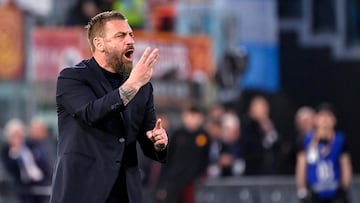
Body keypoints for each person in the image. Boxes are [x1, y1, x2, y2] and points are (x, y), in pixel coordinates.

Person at [50, 11, 168, 203]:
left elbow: (148, 138)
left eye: (131, 35)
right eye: (121, 35)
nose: (130, 40)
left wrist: (158, 143)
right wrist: (132, 85)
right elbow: (91, 113)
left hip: (125, 193)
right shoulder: (72, 78)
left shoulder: (142, 87)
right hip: (82, 192)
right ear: (99, 44)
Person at [296, 103, 352, 203]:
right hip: (314, 193)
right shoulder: (306, 140)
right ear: (316, 119)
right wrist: (302, 190)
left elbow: (346, 166)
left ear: (334, 120)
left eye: (328, 116)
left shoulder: (340, 140)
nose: (325, 120)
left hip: (335, 192)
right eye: (321, 116)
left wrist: (343, 189)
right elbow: (301, 167)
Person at [156, 105, 209, 203]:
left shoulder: (204, 136)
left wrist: (200, 176)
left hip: (193, 183)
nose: (192, 119)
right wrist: (162, 184)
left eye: (195, 116)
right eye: (189, 115)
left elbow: (205, 159)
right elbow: (167, 159)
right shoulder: (177, 134)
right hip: (175, 180)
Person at [1, 118, 49, 203]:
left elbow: (43, 163)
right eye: (14, 135)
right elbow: (10, 170)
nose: (17, 138)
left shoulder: (31, 145)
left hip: (40, 182)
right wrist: (15, 152)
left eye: (19, 135)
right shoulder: (6, 151)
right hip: (22, 186)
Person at [240, 95, 281, 175]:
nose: (265, 109)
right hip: (253, 173)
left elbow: (278, 147)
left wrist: (269, 132)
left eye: (266, 106)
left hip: (271, 173)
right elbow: (250, 149)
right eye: (262, 106)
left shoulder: (271, 124)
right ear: (253, 108)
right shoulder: (246, 125)